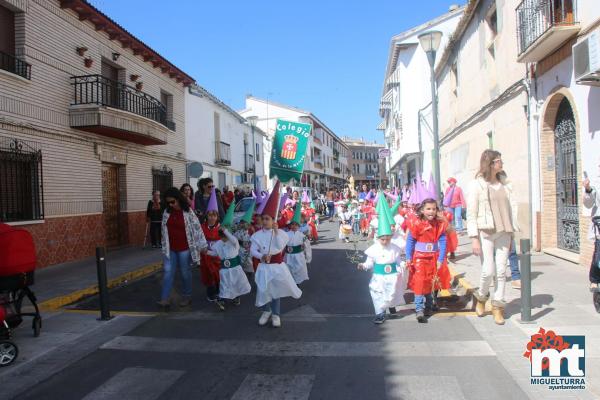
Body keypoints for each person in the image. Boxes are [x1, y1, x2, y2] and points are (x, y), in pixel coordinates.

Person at [467, 150, 519, 325]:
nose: (501, 163)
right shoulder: (477, 185)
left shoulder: (506, 184)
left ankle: (498, 307)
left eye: (501, 160)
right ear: (489, 164)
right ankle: (481, 297)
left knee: (502, 271)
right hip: (486, 232)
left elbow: (511, 210)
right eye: (498, 161)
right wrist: (474, 237)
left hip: (504, 231)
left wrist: (511, 235)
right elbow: (471, 213)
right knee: (488, 271)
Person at [251, 181, 302, 328]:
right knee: (264, 289)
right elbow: (253, 250)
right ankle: (266, 311)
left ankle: (276, 314)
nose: (265, 221)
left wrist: (276, 231)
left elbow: (280, 246)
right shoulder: (257, 235)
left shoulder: (280, 233)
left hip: (277, 267)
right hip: (264, 266)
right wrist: (261, 256)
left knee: (276, 291)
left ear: (273, 220)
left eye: (268, 219)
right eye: (263, 219)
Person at [158, 187, 207, 308]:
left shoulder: (188, 212)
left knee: (185, 273)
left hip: (184, 249)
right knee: (168, 272)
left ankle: (187, 296)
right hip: (170, 249)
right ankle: (165, 298)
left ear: (178, 199)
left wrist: (203, 245)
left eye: (173, 202)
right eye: (168, 202)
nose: (170, 204)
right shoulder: (167, 212)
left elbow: (197, 229)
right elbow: (163, 230)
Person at [358, 204, 406, 324]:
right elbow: (369, 263)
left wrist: (402, 265)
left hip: (392, 275)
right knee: (378, 293)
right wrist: (363, 266)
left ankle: (391, 307)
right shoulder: (373, 249)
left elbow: (398, 261)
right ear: (378, 237)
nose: (385, 241)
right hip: (379, 277)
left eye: (388, 239)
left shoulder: (395, 248)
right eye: (382, 239)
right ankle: (380, 314)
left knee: (392, 292)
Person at [405, 199, 449, 322]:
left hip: (434, 257)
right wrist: (408, 256)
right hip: (419, 257)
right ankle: (419, 308)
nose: (431, 211)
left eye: (434, 209)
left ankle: (429, 304)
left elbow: (443, 242)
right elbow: (410, 241)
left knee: (432, 281)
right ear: (422, 210)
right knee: (419, 282)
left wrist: (441, 258)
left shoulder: (440, 224)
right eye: (428, 209)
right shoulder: (416, 223)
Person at [212, 227, 251, 308]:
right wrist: (207, 252)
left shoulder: (233, 242)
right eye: (222, 237)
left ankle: (236, 297)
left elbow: (233, 240)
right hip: (225, 269)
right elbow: (215, 253)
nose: (223, 239)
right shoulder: (219, 243)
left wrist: (225, 231)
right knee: (225, 284)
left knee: (235, 283)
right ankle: (222, 299)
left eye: (225, 236)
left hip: (235, 268)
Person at [200, 188, 223, 306]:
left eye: (214, 215)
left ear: (217, 217)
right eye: (209, 215)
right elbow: (198, 239)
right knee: (208, 275)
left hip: (217, 257)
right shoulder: (202, 227)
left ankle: (219, 291)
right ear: (206, 216)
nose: (211, 218)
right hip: (205, 256)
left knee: (218, 275)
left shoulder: (220, 229)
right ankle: (210, 293)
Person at [285, 205, 311, 284]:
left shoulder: (301, 235)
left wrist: (308, 256)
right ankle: (291, 283)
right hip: (288, 256)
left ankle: (297, 282)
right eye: (292, 224)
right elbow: (281, 244)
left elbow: (307, 246)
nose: (294, 226)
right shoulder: (286, 234)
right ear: (290, 225)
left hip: (298, 255)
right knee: (289, 269)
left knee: (298, 269)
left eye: (296, 225)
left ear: (299, 226)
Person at [583, 176, 600, 289]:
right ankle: (594, 279)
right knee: (598, 255)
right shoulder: (596, 182)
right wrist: (588, 189)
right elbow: (588, 204)